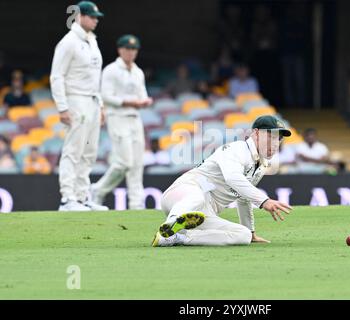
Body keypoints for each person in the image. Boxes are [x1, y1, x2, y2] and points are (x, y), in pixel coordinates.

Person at [152, 115, 292, 247]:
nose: (275, 144)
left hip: (202, 215)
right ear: (255, 133)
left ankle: (179, 238)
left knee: (243, 236)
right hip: (183, 192)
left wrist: (251, 232)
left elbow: (244, 198)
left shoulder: (262, 165)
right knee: (197, 198)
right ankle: (172, 223)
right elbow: (232, 178)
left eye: (278, 139)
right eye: (270, 136)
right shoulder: (236, 149)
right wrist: (264, 201)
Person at [50, 1, 107, 211]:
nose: (96, 20)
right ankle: (67, 198)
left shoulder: (92, 40)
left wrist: (100, 104)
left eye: (96, 17)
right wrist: (62, 107)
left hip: (92, 100)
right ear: (80, 16)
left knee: (89, 152)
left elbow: (95, 77)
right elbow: (57, 76)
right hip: (76, 100)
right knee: (73, 150)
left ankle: (82, 197)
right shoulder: (69, 42)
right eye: (92, 16)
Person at [91, 35, 153, 210]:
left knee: (137, 164)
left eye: (134, 49)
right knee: (124, 162)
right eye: (128, 48)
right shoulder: (111, 70)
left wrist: (144, 101)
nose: (131, 52)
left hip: (135, 118)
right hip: (117, 117)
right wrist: (132, 102)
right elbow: (106, 96)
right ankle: (99, 190)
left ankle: (136, 204)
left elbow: (142, 96)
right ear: (120, 50)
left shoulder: (138, 71)